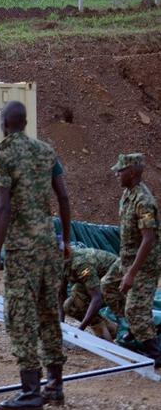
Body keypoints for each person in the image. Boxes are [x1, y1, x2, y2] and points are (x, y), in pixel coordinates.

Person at [0, 101, 71, 410]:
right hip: (49, 246)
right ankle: (55, 385)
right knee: (50, 313)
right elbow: (63, 196)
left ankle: (30, 391)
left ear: (5, 123)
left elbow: (4, 207)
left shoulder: (3, 154)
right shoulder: (47, 151)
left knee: (20, 317)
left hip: (23, 250)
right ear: (24, 122)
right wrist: (67, 243)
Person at [103, 153, 161, 367]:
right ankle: (133, 330)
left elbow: (149, 239)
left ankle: (156, 354)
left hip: (144, 264)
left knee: (136, 308)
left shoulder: (144, 201)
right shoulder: (127, 194)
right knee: (108, 286)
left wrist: (132, 273)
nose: (117, 173)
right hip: (126, 258)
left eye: (121, 170)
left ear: (133, 172)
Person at [59, 245, 118, 342]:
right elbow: (61, 294)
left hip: (117, 284)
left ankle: (103, 335)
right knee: (69, 306)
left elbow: (97, 298)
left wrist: (80, 331)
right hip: (100, 284)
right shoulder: (60, 264)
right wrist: (60, 326)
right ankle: (112, 330)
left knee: (77, 291)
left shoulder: (80, 263)